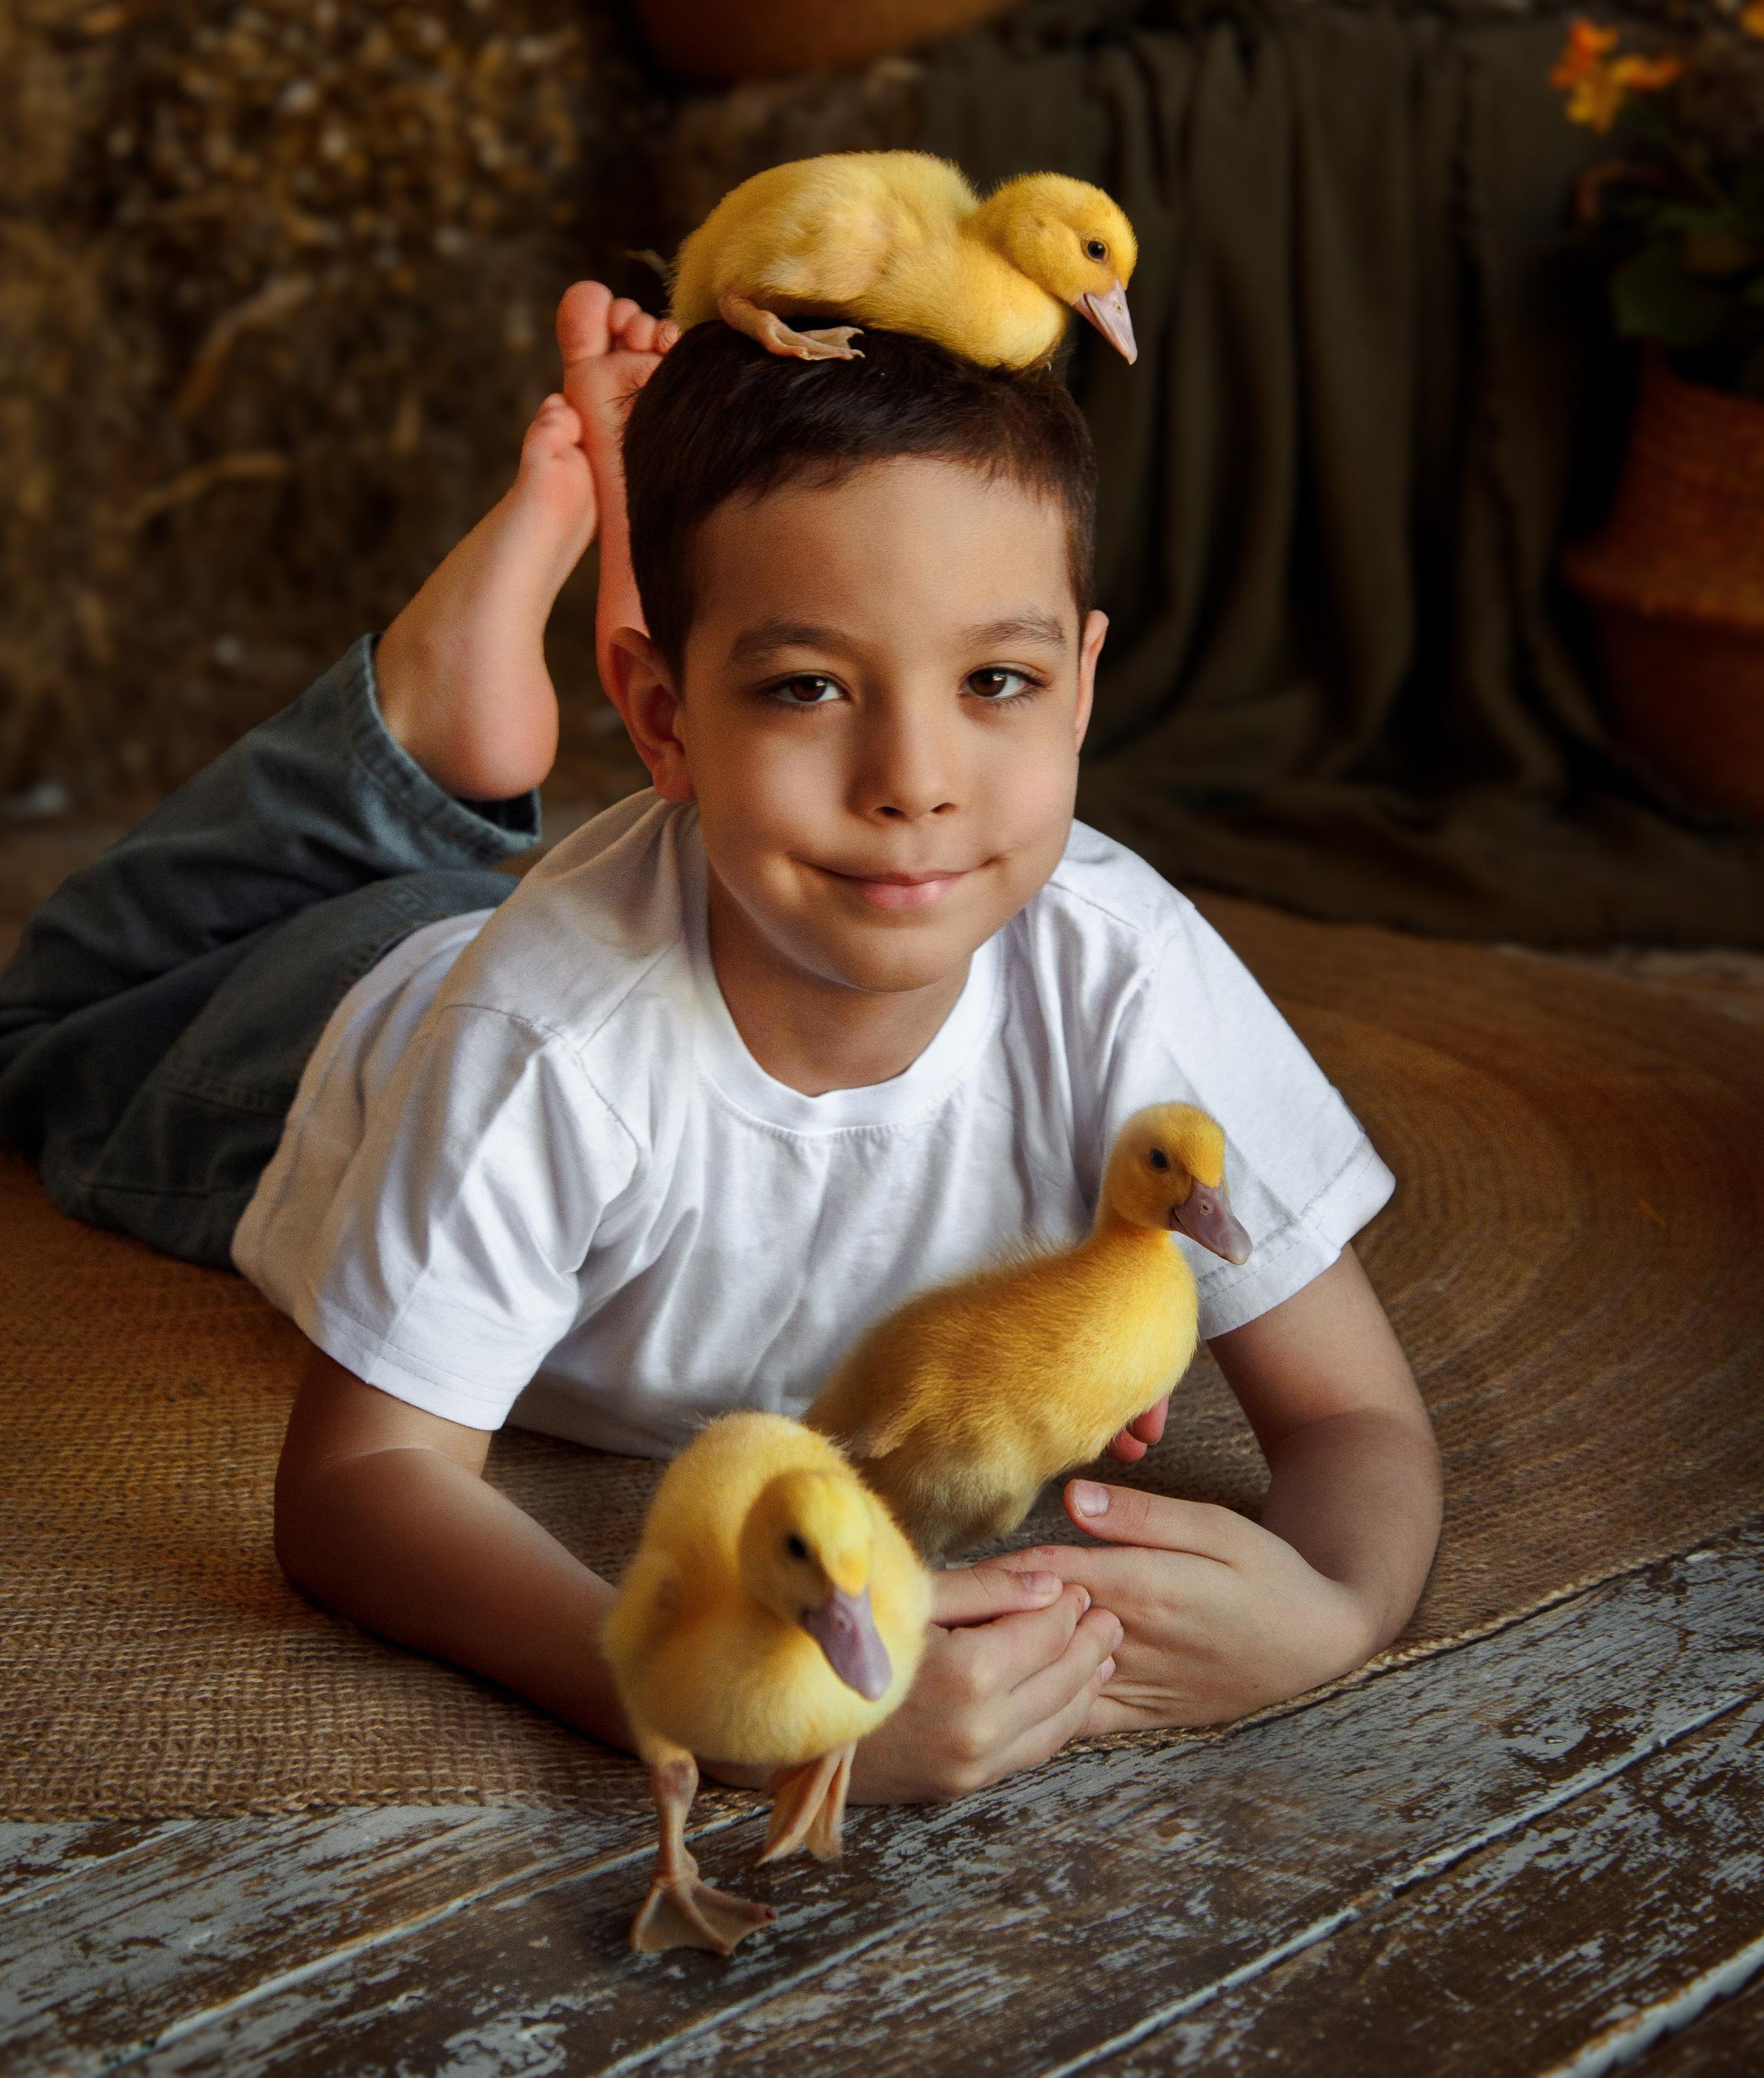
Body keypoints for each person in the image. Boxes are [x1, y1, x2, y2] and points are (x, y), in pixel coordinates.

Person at [0, 280, 1442, 1799]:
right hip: (329, 1039)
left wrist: (1337, 1608)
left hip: (633, 887)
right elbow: (362, 1484)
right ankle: (401, 734)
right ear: (665, 717)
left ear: (1079, 688)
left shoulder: (1122, 966)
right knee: (49, 1023)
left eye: (994, 682)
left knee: (494, 891)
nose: (914, 780)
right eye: (807, 685)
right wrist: (744, 1708)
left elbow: (1355, 1414)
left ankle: (548, 681)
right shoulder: (546, 1044)